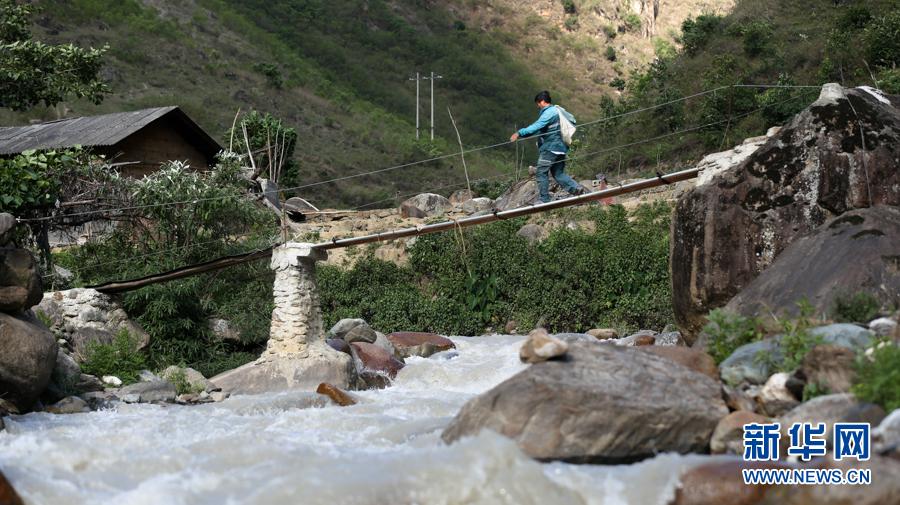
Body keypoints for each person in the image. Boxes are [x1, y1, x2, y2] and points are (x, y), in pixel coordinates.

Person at [510, 91, 587, 203]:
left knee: (541, 172)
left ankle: (544, 200)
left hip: (550, 148)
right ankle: (576, 189)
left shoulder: (549, 112)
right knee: (558, 173)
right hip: (561, 148)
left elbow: (536, 127)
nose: (538, 106)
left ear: (542, 101)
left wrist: (519, 133)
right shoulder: (558, 110)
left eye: (538, 104)